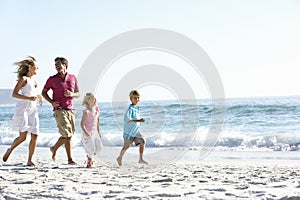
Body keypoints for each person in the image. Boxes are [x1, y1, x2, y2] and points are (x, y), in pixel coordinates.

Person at [2, 56, 43, 166]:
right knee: (23, 137)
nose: (37, 68)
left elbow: (34, 92)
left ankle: (30, 160)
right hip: (23, 109)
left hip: (33, 110)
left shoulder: (34, 81)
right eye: (36, 67)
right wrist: (29, 98)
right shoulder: (23, 79)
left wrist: (39, 97)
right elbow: (14, 94)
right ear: (30, 67)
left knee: (35, 134)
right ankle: (10, 149)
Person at [42, 57, 79, 165]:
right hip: (59, 109)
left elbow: (78, 93)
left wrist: (72, 94)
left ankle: (54, 148)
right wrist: (51, 102)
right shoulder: (52, 79)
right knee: (67, 134)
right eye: (55, 65)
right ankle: (70, 159)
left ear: (65, 65)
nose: (57, 67)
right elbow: (43, 92)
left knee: (69, 134)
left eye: (59, 65)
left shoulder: (73, 77)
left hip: (70, 109)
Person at [116, 90, 148, 166]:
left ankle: (140, 159)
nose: (137, 99)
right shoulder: (130, 109)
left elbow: (137, 119)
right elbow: (128, 119)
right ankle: (119, 158)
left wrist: (140, 120)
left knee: (142, 142)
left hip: (136, 131)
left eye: (138, 98)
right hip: (129, 133)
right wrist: (139, 120)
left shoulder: (137, 108)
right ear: (131, 99)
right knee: (126, 147)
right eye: (135, 98)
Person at [80, 93, 103, 168]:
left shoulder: (97, 110)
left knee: (99, 148)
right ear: (87, 101)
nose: (95, 100)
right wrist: (86, 133)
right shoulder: (86, 112)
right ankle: (89, 159)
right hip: (87, 133)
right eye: (92, 99)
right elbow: (82, 124)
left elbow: (97, 122)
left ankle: (90, 155)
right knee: (92, 149)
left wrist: (99, 132)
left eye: (95, 98)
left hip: (95, 133)